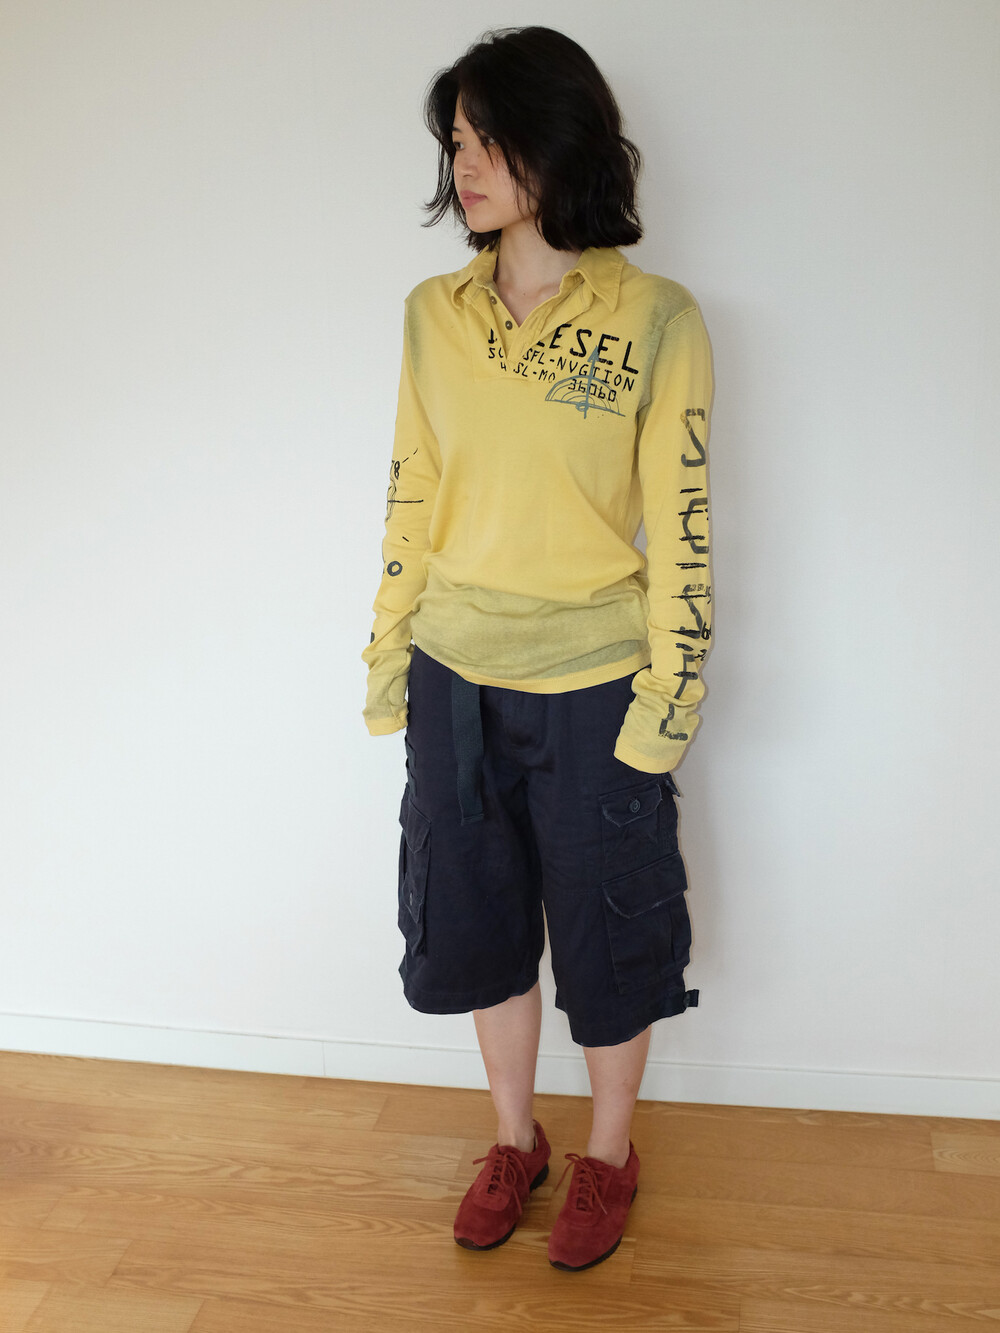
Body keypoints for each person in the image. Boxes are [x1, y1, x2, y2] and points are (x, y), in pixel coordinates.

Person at [362, 26, 713, 1271]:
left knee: (612, 934)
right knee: (479, 922)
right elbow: (411, 495)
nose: (462, 166)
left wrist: (670, 695)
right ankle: (515, 1139)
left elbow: (681, 523)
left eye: (487, 140)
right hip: (453, 675)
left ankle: (609, 1152)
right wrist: (387, 656)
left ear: (556, 144)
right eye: (454, 142)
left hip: (595, 684)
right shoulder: (433, 315)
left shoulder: (657, 318)